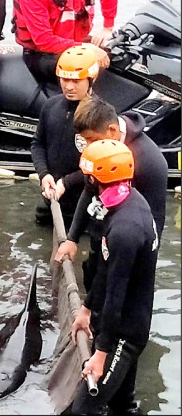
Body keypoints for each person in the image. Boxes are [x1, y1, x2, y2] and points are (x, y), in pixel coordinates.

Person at [67, 140, 158, 416]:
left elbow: (115, 296)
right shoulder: (126, 201)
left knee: (82, 410)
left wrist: (101, 354)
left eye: (88, 176)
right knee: (122, 405)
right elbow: (106, 271)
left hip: (124, 334)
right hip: (122, 319)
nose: (86, 181)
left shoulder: (124, 229)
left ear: (99, 178)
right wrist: (85, 308)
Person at [55, 96, 168, 292]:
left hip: (126, 249)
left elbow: (155, 223)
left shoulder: (151, 162)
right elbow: (88, 190)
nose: (89, 148)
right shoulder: (99, 150)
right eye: (86, 142)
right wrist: (72, 238)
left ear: (113, 131)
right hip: (100, 236)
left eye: (93, 140)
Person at [30, 45, 100, 228]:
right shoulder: (50, 106)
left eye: (76, 81)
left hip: (84, 205)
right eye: (64, 79)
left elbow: (101, 166)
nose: (69, 86)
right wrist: (44, 174)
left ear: (91, 79)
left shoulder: (101, 115)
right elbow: (38, 143)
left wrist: (67, 183)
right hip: (51, 198)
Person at [11, 0, 117, 86]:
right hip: (42, 54)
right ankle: (75, 102)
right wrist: (86, 48)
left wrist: (108, 26)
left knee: (115, 57)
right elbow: (44, 41)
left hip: (74, 42)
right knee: (81, 66)